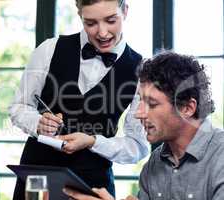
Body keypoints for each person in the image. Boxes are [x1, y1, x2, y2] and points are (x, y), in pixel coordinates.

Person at [9, 0, 148, 198]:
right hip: (37, 181)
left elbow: (138, 146)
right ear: (79, 14)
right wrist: (38, 123)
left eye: (110, 20)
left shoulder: (141, 71)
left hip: (93, 188)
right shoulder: (48, 49)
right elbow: (19, 107)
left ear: (125, 11)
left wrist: (93, 142)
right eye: (90, 23)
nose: (102, 33)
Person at [63, 51, 224, 200]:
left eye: (152, 104)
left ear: (187, 108)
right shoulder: (155, 163)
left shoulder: (220, 157)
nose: (138, 113)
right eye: (140, 100)